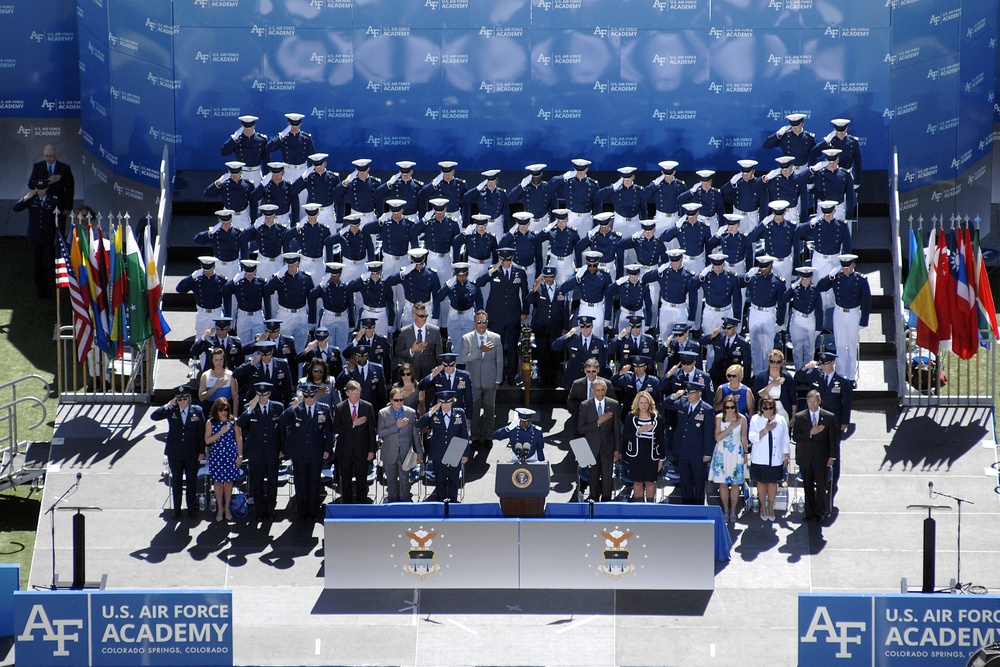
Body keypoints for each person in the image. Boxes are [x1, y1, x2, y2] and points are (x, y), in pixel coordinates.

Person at [475, 247, 529, 385]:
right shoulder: (493, 271)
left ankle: (511, 376)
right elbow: (479, 283)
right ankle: (497, 375)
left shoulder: (520, 272)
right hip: (496, 315)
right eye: (503, 260)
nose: (506, 263)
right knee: (495, 347)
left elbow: (525, 292)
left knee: (512, 347)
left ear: (512, 258)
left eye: (508, 260)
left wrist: (525, 311)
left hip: (513, 314)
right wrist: (492, 270)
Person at [280, 384, 334, 520]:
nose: (309, 399)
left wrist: (328, 448)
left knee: (314, 482)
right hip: (299, 452)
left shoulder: (324, 409)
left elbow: (329, 431)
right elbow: (282, 420)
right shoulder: (297, 408)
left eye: (311, 396)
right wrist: (293, 406)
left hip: (316, 451)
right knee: (301, 482)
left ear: (316, 395)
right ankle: (302, 512)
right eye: (306, 396)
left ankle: (313, 512)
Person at [150, 386, 206, 520]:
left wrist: (201, 451)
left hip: (192, 452)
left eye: (184, 399)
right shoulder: (172, 410)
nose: (182, 402)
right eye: (179, 399)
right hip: (175, 452)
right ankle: (176, 508)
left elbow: (201, 432)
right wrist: (167, 405)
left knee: (191, 481)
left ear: (189, 399)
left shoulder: (196, 411)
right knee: (177, 481)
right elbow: (154, 416)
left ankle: (191, 508)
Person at [815, 254, 871, 383]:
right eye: (843, 266)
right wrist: (830, 276)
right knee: (840, 345)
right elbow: (820, 287)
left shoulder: (861, 279)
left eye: (848, 266)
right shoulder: (837, 278)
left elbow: (866, 301)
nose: (845, 269)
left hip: (853, 313)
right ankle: (840, 375)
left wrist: (864, 321)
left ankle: (851, 377)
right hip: (839, 312)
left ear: (854, 265)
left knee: (851, 346)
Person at [236, 382, 284, 520]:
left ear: (269, 394)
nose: (262, 398)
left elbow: (282, 430)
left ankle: (270, 509)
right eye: (260, 395)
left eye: (265, 394)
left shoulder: (277, 407)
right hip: (256, 452)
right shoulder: (250, 408)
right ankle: (259, 509)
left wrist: (282, 449)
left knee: (273, 482)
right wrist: (251, 407)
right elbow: (240, 423)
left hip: (272, 451)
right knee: (257, 482)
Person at [663, 381, 715, 505]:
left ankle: (699, 507)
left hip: (698, 452)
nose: (689, 395)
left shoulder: (706, 409)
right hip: (682, 450)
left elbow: (709, 433)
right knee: (685, 482)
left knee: (698, 482)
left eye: (692, 393)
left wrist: (707, 453)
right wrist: (675, 396)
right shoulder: (682, 403)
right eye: (687, 393)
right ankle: (686, 507)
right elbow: (666, 404)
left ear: (699, 393)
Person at [791, 389, 840, 522]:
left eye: (814, 402)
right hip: (806, 458)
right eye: (809, 402)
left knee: (821, 486)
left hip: (822, 458)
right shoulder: (800, 417)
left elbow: (833, 439)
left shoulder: (829, 417)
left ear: (819, 401)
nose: (812, 404)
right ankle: (809, 512)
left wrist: (832, 457)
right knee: (807, 486)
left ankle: (820, 512)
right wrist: (810, 432)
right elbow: (795, 437)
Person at [416, 390, 470, 502]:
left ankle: (453, 503)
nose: (445, 405)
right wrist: (430, 413)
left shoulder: (459, 413)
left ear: (452, 402)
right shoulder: (435, 414)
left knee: (454, 480)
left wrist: (465, 453)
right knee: (440, 481)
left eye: (448, 402)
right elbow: (419, 424)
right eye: (443, 403)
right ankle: (441, 504)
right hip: (438, 452)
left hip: (455, 450)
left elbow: (464, 434)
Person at [461, 311, 503, 450]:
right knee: (474, 410)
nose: (481, 325)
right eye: (479, 322)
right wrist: (480, 351)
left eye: (484, 322)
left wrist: (498, 380)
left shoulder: (496, 338)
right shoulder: (467, 338)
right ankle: (475, 437)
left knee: (490, 410)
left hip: (490, 380)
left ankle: (488, 436)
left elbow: (499, 360)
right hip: (473, 381)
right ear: (474, 323)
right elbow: (464, 358)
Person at [13, 180, 61, 299]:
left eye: (43, 189)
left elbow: (58, 220)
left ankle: (49, 292)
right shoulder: (31, 199)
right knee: (37, 265)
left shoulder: (54, 200)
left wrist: (56, 236)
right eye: (39, 189)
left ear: (46, 189)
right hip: (35, 236)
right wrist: (25, 198)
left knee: (49, 265)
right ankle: (40, 292)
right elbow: (16, 208)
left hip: (48, 237)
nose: (41, 192)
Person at [332, 380, 378, 504]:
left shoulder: (367, 406)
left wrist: (372, 450)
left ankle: (361, 507)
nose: (356, 396)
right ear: (347, 393)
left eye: (358, 393)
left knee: (362, 481)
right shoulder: (340, 408)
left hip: (362, 451)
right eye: (353, 394)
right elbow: (335, 428)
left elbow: (372, 431)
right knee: (345, 481)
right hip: (345, 451)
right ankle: (347, 506)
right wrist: (352, 424)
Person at [577, 378, 621, 502]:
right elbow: (581, 428)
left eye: (603, 390)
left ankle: (606, 503)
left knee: (607, 480)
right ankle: (594, 502)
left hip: (608, 448)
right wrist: (597, 422)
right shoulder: (585, 405)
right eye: (598, 390)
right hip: (591, 448)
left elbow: (617, 429)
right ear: (592, 391)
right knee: (593, 479)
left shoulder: (613, 404)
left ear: (606, 390)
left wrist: (617, 449)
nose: (600, 393)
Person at [747, 396, 791, 522]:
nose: (768, 410)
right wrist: (766, 429)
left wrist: (786, 456)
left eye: (770, 407)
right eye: (765, 408)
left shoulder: (781, 419)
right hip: (760, 459)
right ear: (761, 408)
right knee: (761, 483)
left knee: (772, 483)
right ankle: (763, 508)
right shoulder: (756, 419)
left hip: (775, 458)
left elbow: (785, 439)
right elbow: (752, 437)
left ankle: (771, 507)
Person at [527, 266, 571, 387]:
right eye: (546, 277)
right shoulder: (539, 288)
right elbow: (529, 300)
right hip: (541, 326)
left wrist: (565, 327)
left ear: (554, 276)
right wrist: (536, 285)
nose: (548, 279)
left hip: (555, 327)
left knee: (554, 352)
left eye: (550, 277)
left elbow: (565, 309)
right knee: (542, 353)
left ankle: (553, 377)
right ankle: (542, 376)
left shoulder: (561, 289)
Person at [377, 387, 423, 502]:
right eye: (396, 400)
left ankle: (405, 506)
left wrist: (420, 451)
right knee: (391, 483)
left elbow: (415, 434)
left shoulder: (410, 413)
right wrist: (397, 426)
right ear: (391, 400)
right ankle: (392, 509)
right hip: (389, 453)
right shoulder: (383, 413)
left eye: (401, 400)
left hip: (405, 453)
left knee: (405, 482)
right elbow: (380, 432)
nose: (399, 402)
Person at [621, 390, 665, 503]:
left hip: (651, 456)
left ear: (650, 404)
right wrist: (639, 431)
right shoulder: (631, 417)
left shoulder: (657, 418)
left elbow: (661, 439)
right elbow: (625, 437)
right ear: (637, 404)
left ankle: (650, 508)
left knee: (650, 483)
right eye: (641, 402)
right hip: (636, 456)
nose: (644, 405)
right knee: (637, 483)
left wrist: (661, 459)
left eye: (646, 402)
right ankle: (638, 507)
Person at [710, 396, 748, 523]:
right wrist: (731, 427)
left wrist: (746, 453)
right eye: (727, 407)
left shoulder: (742, 419)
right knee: (723, 483)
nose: (730, 410)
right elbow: (717, 437)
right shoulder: (719, 418)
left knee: (736, 484)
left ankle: (733, 510)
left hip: (736, 453)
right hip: (722, 452)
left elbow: (744, 438)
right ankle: (726, 509)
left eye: (732, 407)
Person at [204, 397, 243, 522]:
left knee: (229, 483)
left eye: (226, 409)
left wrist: (240, 456)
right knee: (217, 483)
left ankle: (227, 508)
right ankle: (220, 508)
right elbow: (207, 440)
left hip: (230, 456)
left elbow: (239, 439)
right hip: (217, 456)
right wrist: (221, 432)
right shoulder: (211, 422)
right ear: (216, 410)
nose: (224, 412)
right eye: (221, 409)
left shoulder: (234, 422)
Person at [27, 144, 74, 236]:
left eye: (50, 156)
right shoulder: (38, 167)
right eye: (46, 156)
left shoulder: (64, 168)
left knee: (59, 229)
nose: (48, 158)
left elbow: (70, 188)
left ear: (55, 154)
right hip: (43, 204)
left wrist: (67, 207)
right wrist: (48, 182)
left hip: (59, 204)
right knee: (44, 231)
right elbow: (31, 185)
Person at [394, 302, 443, 381]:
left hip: (429, 374)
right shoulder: (405, 332)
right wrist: (412, 350)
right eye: (421, 316)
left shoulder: (435, 331)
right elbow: (398, 352)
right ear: (414, 315)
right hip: (411, 374)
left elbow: (439, 355)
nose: (424, 318)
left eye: (426, 316)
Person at [751, 349, 796, 421]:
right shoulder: (760, 376)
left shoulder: (787, 377)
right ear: (769, 362)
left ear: (781, 363)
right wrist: (772, 384)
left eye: (778, 362)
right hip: (766, 410)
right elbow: (758, 395)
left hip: (782, 410)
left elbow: (793, 399)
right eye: (772, 362)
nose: (775, 364)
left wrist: (793, 416)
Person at [198, 347, 239, 416]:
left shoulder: (230, 375)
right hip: (210, 410)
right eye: (216, 360)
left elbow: (235, 398)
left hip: (226, 411)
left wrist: (235, 417)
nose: (219, 362)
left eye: (221, 359)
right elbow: (201, 398)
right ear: (212, 361)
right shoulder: (205, 375)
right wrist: (216, 386)